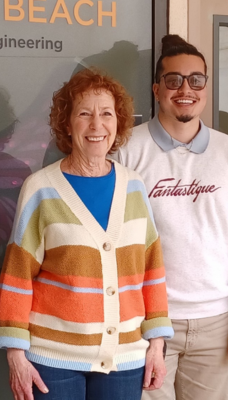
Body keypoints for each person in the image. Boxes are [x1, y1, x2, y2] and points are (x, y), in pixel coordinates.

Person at [0, 68, 173, 400]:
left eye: (106, 114)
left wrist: (157, 343)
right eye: (84, 114)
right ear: (67, 124)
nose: (97, 125)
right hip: (52, 361)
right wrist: (15, 353)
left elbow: (151, 271)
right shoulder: (40, 189)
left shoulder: (134, 186)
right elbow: (17, 275)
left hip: (125, 359)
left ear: (118, 123)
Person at [117, 35, 228, 400]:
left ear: (206, 87)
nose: (186, 89)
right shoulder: (125, 150)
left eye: (196, 80)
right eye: (173, 80)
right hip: (144, 321)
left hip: (216, 322)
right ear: (156, 88)